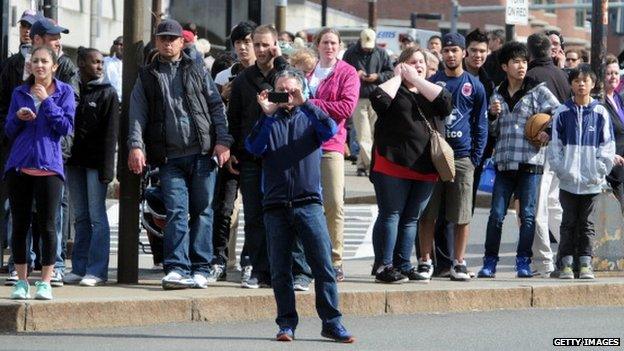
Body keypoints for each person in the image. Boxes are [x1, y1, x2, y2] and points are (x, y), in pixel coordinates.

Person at [245, 68, 354, 343]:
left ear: (303, 90)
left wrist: (305, 103)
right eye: (281, 90)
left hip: (308, 203)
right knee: (281, 270)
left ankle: (331, 322)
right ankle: (286, 324)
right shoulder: (268, 120)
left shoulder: (310, 116)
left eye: (291, 90)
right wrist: (267, 114)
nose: (287, 95)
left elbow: (330, 130)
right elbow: (254, 148)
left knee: (323, 266)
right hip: (276, 204)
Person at [127, 19, 233, 290]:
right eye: (162, 38)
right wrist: (136, 146)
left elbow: (215, 106)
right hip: (169, 157)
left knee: (203, 211)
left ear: (182, 42)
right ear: (157, 41)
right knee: (176, 211)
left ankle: (200, 267)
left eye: (172, 38)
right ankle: (176, 267)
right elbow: (137, 115)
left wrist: (222, 141)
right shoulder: (148, 75)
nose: (167, 42)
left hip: (202, 153)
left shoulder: (197, 68)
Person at [227, 24, 311, 289]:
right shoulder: (243, 80)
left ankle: (300, 272)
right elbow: (235, 120)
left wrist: (282, 56)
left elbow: (301, 88)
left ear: (274, 45)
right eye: (257, 44)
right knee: (255, 217)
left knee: (291, 215)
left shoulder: (284, 74)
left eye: (266, 45)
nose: (261, 50)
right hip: (251, 159)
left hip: (283, 158)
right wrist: (230, 149)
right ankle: (260, 271)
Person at [477, 41, 560, 279]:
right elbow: (492, 131)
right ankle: (489, 262)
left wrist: (549, 131)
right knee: (496, 215)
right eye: (515, 62)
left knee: (528, 215)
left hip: (531, 163)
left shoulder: (537, 90)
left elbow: (559, 112)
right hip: (504, 164)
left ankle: (523, 261)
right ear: (505, 66)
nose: (521, 66)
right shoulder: (497, 94)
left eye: (524, 61)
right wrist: (492, 115)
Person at [369, 47, 452, 283]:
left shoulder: (431, 90)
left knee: (411, 218)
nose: (418, 65)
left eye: (422, 62)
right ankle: (384, 265)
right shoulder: (394, 88)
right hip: (392, 163)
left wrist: (416, 79)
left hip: (425, 165)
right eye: (412, 62)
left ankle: (403, 264)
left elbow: (445, 104)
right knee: (391, 214)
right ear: (401, 64)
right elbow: (379, 101)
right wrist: (398, 77)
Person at [6, 46, 75, 300]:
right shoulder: (19, 92)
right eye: (35, 61)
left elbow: (65, 127)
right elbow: (9, 130)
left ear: (54, 66)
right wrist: (19, 117)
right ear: (30, 65)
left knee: (48, 226)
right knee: (20, 225)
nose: (40, 65)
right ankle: (21, 281)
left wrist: (47, 101)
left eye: (45, 61)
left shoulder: (65, 92)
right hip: (20, 166)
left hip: (49, 167)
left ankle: (45, 280)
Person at [418, 33, 488, 282]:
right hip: (435, 157)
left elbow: (481, 124)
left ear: (463, 54)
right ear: (441, 54)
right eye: (446, 50)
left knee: (462, 215)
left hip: (462, 157)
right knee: (428, 214)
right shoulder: (432, 82)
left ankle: (459, 262)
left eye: (455, 50)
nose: (450, 54)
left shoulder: (474, 85)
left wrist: (474, 157)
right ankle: (425, 261)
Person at [548, 65, 615, 280]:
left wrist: (599, 171)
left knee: (587, 224)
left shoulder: (600, 112)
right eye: (577, 80)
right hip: (568, 181)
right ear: (571, 84)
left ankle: (586, 262)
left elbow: (607, 146)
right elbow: (555, 146)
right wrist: (562, 170)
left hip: (592, 181)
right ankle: (566, 262)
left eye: (585, 80)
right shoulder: (562, 112)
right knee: (567, 223)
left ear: (593, 84)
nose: (581, 84)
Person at [30, 17, 80, 287]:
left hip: (56, 149)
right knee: (20, 210)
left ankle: (55, 265)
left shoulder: (68, 68)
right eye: (52, 36)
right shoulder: (17, 66)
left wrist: (47, 101)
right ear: (37, 39)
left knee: (55, 211)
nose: (58, 40)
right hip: (24, 151)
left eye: (59, 36)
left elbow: (69, 111)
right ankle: (21, 264)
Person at [306, 28, 359, 281]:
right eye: (325, 42)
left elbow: (346, 107)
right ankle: (308, 259)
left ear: (339, 46)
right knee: (306, 204)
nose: (329, 47)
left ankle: (335, 259)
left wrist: (312, 104)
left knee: (335, 203)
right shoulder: (307, 71)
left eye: (333, 43)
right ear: (317, 45)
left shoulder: (347, 72)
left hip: (332, 145)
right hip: (303, 146)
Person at [63, 48, 119, 287]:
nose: (99, 66)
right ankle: (79, 267)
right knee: (81, 217)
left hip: (96, 165)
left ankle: (97, 270)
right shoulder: (73, 91)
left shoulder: (108, 93)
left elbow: (110, 136)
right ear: (81, 63)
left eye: (101, 62)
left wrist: (108, 170)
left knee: (97, 217)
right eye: (94, 62)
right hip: (74, 162)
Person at [209, 21, 256, 282]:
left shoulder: (262, 75)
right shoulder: (223, 75)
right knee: (224, 208)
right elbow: (214, 113)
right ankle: (220, 259)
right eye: (238, 42)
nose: (243, 47)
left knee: (252, 209)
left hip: (252, 151)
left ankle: (249, 259)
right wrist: (224, 95)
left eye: (247, 42)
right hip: (227, 149)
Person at [0, 9, 40, 286]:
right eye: (23, 25)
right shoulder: (12, 63)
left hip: (42, 145)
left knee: (43, 211)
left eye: (31, 26)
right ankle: (16, 261)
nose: (26, 30)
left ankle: (40, 262)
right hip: (13, 143)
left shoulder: (50, 64)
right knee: (11, 206)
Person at [526, 32, 570, 277]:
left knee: (538, 206)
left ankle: (543, 261)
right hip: (561, 149)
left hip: (539, 148)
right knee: (554, 204)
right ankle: (568, 253)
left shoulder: (532, 76)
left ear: (530, 53)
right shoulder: (562, 75)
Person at [342, 28, 394, 177]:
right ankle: (374, 165)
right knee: (363, 135)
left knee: (373, 134)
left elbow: (390, 73)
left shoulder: (381, 53)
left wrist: (377, 77)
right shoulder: (350, 53)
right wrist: (354, 74)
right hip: (357, 98)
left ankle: (361, 165)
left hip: (377, 98)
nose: (366, 48)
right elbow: (342, 71)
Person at [602, 55, 624, 214]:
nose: (613, 77)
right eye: (609, 73)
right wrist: (610, 155)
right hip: (611, 168)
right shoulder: (599, 102)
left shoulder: (618, 98)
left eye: (616, 73)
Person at [103, 36, 123, 102]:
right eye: (117, 44)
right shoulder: (105, 61)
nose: (120, 47)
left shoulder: (132, 64)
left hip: (125, 102)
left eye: (122, 44)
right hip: (108, 100)